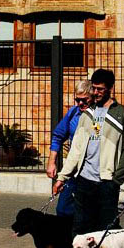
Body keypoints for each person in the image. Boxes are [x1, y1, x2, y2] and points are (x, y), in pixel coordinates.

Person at [52, 68, 124, 248]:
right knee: (80, 231)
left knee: (106, 231)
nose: (96, 93)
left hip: (107, 183)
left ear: (110, 88)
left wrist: (117, 178)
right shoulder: (87, 114)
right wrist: (63, 176)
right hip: (84, 181)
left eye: (99, 89)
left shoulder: (122, 115)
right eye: (94, 89)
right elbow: (76, 149)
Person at [45, 80, 92, 218]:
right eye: (77, 100)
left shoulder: (97, 117)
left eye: (84, 100)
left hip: (91, 172)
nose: (80, 104)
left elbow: (99, 137)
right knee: (63, 209)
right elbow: (58, 136)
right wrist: (51, 162)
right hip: (73, 170)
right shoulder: (73, 113)